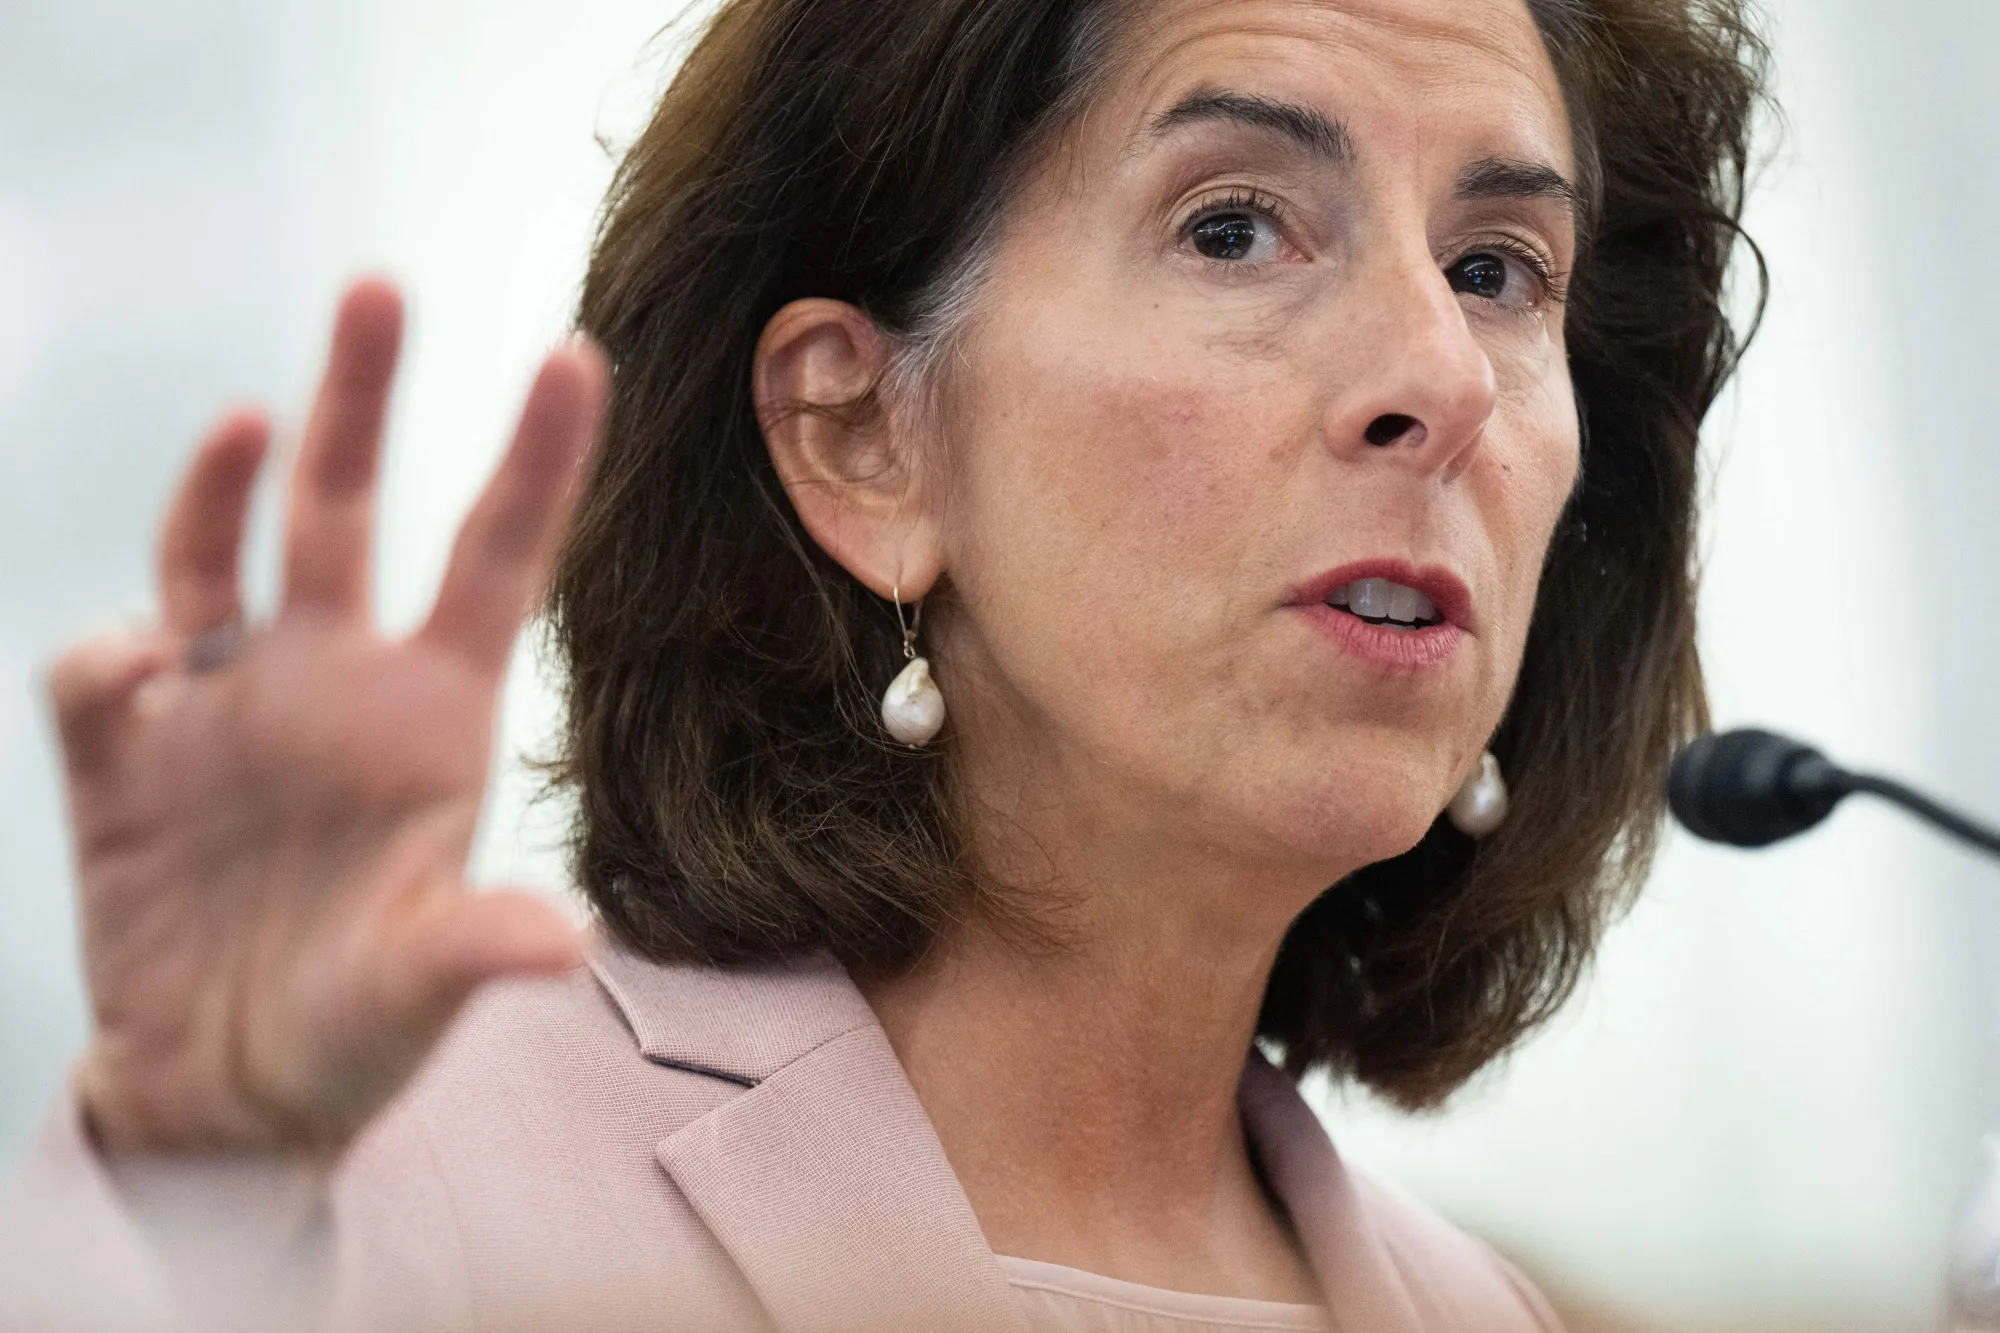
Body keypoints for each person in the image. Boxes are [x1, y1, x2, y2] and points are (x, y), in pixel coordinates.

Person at [1, 0, 1765, 1328]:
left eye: (1495, 267)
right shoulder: (396, 1184)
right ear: (861, 438)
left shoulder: (1479, 1311)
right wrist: (187, 1190)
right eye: (1235, 225)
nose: (1441, 375)